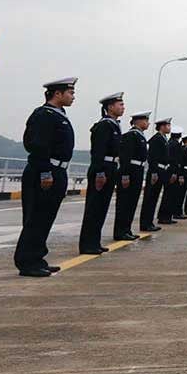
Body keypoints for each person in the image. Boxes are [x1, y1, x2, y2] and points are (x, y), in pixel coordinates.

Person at [14, 77, 76, 277]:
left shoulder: (59, 115)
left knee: (45, 218)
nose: (73, 96)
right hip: (45, 170)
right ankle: (27, 262)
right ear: (57, 94)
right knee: (35, 218)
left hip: (57, 170)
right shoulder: (44, 115)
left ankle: (37, 258)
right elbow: (37, 145)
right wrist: (45, 172)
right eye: (70, 92)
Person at [78, 93, 124, 255]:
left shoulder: (113, 125)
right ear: (110, 107)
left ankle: (94, 242)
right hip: (102, 167)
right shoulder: (104, 125)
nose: (122, 107)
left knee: (101, 207)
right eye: (120, 104)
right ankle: (87, 244)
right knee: (94, 208)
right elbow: (98, 151)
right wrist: (100, 173)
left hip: (110, 167)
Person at [112, 110, 150, 241]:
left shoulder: (139, 135)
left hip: (138, 170)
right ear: (137, 122)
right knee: (124, 202)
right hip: (131, 170)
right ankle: (120, 231)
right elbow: (125, 157)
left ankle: (126, 229)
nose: (148, 123)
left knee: (132, 202)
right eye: (145, 120)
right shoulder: (131, 135)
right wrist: (125, 175)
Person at [139, 117, 172, 232]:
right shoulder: (156, 139)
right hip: (156, 170)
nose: (169, 128)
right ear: (162, 127)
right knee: (150, 198)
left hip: (162, 170)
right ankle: (145, 223)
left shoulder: (163, 139)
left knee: (154, 198)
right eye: (168, 125)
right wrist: (153, 172)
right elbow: (152, 158)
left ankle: (149, 222)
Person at [158, 128, 185, 225]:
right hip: (172, 172)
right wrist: (175, 173)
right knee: (170, 195)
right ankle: (165, 217)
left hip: (169, 171)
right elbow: (175, 160)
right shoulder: (175, 145)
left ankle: (165, 216)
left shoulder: (170, 143)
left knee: (168, 195)